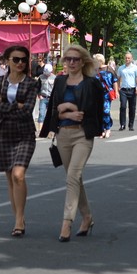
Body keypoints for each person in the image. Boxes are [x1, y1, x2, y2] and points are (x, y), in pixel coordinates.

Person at [39, 45, 107, 242]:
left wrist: (67, 106)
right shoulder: (60, 81)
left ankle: (66, 222)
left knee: (72, 176)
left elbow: (89, 111)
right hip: (63, 135)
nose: (71, 62)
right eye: (68, 59)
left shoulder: (91, 83)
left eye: (76, 59)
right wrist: (67, 111)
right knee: (73, 178)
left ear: (83, 61)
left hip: (83, 135)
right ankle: (87, 217)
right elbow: (54, 109)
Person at [0, 45, 38, 237]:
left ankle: (19, 219)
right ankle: (18, 216)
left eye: (23, 60)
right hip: (5, 132)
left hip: (25, 133)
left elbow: (27, 108)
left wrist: (6, 105)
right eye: (16, 59)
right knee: (10, 177)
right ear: (7, 60)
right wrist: (14, 105)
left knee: (19, 174)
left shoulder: (32, 83)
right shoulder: (1, 81)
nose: (20, 63)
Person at [117, 52, 137, 131]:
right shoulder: (121, 68)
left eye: (129, 58)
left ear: (131, 59)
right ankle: (122, 125)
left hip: (132, 90)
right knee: (123, 107)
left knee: (132, 108)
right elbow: (118, 78)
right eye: (126, 58)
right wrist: (118, 87)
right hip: (123, 90)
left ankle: (131, 125)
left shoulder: (135, 68)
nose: (127, 59)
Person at [93, 53, 117, 137]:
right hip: (96, 94)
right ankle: (102, 129)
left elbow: (114, 81)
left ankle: (108, 128)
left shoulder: (109, 69)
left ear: (100, 61)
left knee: (105, 111)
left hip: (107, 93)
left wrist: (116, 91)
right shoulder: (94, 70)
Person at [37, 63, 56, 130]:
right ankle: (40, 130)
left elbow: (56, 88)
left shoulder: (54, 78)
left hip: (52, 98)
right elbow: (38, 87)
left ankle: (50, 129)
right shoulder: (41, 77)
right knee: (42, 113)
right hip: (43, 97)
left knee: (51, 114)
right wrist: (39, 94)